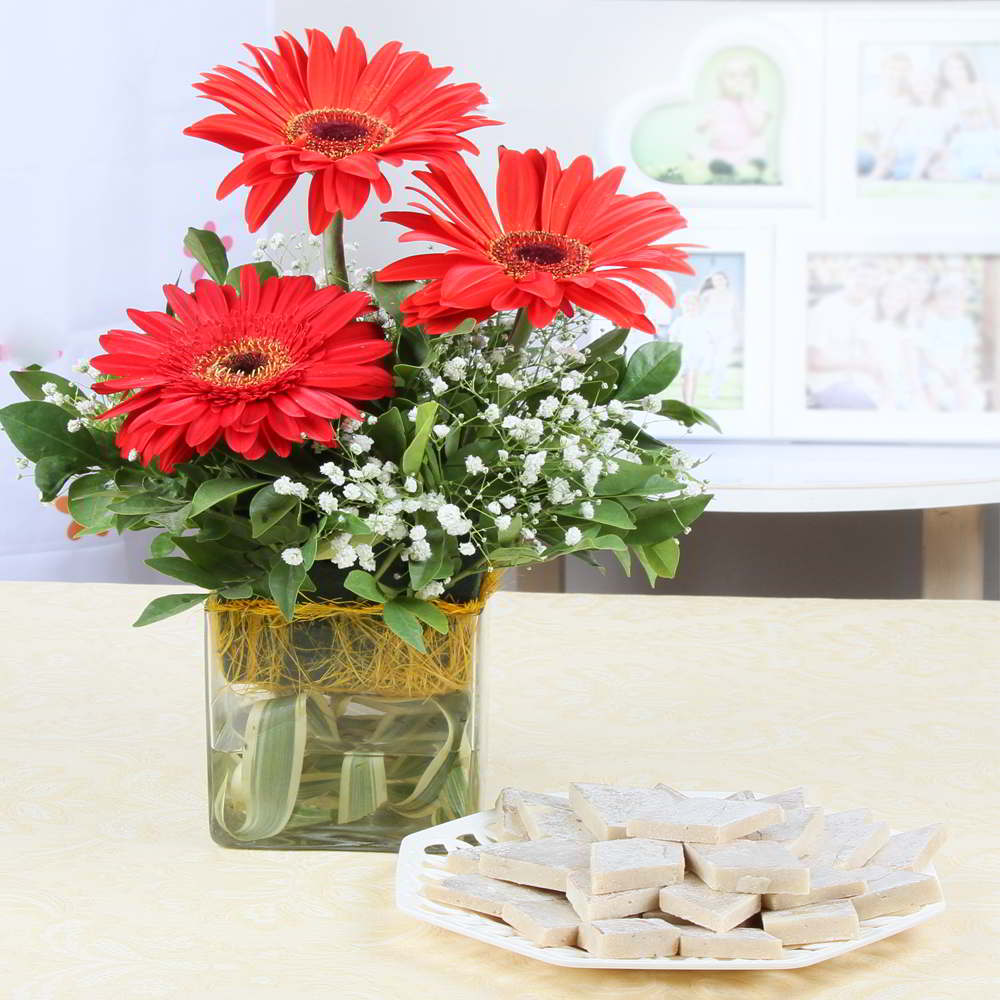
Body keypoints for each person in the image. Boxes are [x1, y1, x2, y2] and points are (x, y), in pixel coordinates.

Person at [693, 55, 774, 182]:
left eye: (745, 75)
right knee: (697, 150)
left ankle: (753, 166)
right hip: (719, 151)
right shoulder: (717, 103)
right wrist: (704, 122)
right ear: (721, 83)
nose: (739, 80)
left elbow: (758, 128)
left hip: (745, 152)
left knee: (760, 145)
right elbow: (700, 127)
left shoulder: (756, 103)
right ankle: (721, 168)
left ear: (755, 81)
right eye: (732, 76)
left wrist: (745, 101)